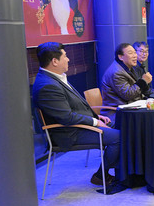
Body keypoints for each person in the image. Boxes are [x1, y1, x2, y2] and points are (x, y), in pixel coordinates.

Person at [33, 42, 123, 194]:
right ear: (54, 61)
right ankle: (101, 176)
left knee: (123, 126)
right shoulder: (47, 85)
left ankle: (124, 172)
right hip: (68, 133)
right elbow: (66, 117)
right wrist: (94, 122)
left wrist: (96, 116)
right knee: (118, 138)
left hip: (77, 126)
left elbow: (73, 108)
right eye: (65, 56)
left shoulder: (55, 78)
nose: (68, 59)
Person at [101, 43, 152, 111]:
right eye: (130, 53)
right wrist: (144, 81)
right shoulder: (117, 72)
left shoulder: (129, 67)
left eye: (135, 52)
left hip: (131, 105)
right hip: (119, 111)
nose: (135, 56)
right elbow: (128, 95)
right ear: (120, 57)